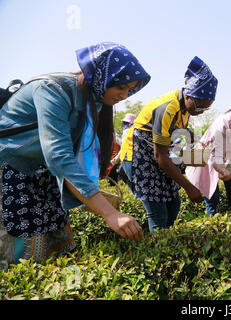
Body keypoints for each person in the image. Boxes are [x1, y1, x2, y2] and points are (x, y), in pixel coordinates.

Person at [0, 42, 149, 268]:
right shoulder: (52, 89)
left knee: (56, 247)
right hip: (12, 169)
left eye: (129, 90)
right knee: (23, 256)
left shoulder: (93, 103)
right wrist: (110, 214)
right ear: (103, 77)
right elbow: (59, 156)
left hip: (43, 172)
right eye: (121, 87)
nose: (124, 95)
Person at [120, 56, 217, 232]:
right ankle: (157, 252)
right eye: (200, 106)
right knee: (158, 212)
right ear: (188, 95)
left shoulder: (186, 110)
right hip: (139, 157)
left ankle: (164, 245)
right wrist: (189, 187)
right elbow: (160, 156)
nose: (201, 112)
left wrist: (198, 141)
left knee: (173, 204)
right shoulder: (167, 108)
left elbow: (181, 132)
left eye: (206, 108)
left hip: (158, 156)